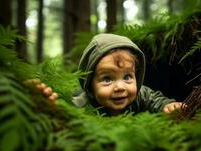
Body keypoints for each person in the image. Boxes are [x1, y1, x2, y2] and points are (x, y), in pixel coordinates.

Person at [37, 33, 185, 116]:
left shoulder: (140, 94)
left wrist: (169, 105)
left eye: (127, 77)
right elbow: (62, 111)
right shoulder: (82, 103)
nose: (120, 87)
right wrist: (44, 101)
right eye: (107, 79)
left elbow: (156, 100)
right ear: (90, 84)